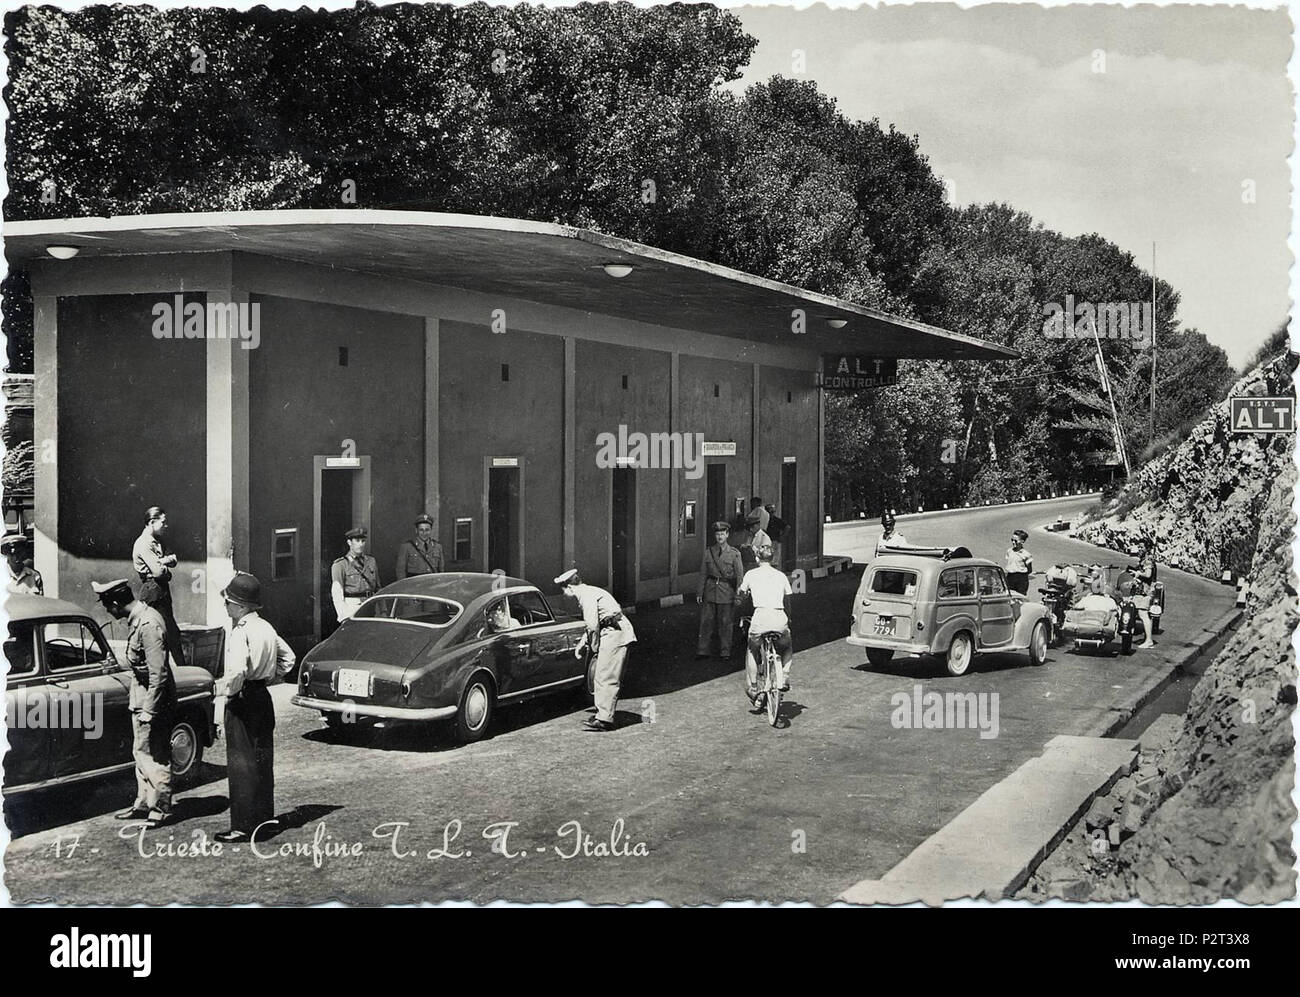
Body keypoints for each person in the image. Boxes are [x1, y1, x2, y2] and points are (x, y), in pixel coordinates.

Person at [213, 572, 295, 843]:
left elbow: (237, 671)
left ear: (240, 606)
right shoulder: (266, 627)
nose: (226, 606)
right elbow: (289, 658)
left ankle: (243, 826)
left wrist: (227, 694)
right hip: (262, 697)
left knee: (241, 763)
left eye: (228, 602)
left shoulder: (241, 632)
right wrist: (268, 677)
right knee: (262, 759)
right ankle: (264, 821)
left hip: (243, 698)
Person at [92, 578, 175, 828]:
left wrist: (149, 710)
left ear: (116, 604)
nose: (108, 611)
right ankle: (143, 803)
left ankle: (160, 808)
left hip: (153, 700)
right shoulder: (138, 619)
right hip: (141, 695)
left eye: (108, 606)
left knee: (154, 754)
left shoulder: (148, 624)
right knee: (140, 752)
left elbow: (158, 673)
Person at [555, 568, 636, 732]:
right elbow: (594, 625)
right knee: (602, 675)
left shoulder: (585, 595)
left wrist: (594, 647)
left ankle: (604, 719)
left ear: (569, 587)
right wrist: (582, 644)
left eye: (563, 589)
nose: (563, 594)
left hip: (614, 633)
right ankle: (603, 715)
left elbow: (592, 626)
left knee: (605, 676)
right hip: (613, 631)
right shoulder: (590, 591)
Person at [736, 542, 794, 705]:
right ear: (772, 559)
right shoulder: (781, 576)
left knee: (752, 649)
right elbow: (787, 602)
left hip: (760, 617)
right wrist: (788, 619)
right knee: (787, 647)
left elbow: (742, 595)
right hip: (779, 616)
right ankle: (785, 675)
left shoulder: (751, 574)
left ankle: (754, 688)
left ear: (757, 558)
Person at [132, 506, 186, 670]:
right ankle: (156, 672)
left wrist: (162, 561)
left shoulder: (158, 540)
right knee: (158, 634)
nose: (166, 525)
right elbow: (159, 572)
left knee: (171, 634)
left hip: (160, 590)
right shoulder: (144, 543)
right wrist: (164, 566)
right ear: (151, 522)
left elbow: (174, 559)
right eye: (163, 522)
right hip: (153, 591)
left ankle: (183, 672)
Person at [696, 521, 744, 660]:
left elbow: (740, 576)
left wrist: (738, 595)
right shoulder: (708, 552)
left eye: (722, 534)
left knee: (725, 623)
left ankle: (725, 651)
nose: (720, 537)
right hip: (710, 590)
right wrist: (700, 592)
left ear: (727, 535)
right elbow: (703, 573)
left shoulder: (734, 554)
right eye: (717, 534)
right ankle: (703, 650)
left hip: (726, 591)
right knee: (706, 621)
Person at [331, 526, 379, 622]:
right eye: (357, 541)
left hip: (371, 607)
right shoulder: (341, 565)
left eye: (363, 541)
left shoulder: (371, 561)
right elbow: (337, 593)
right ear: (349, 542)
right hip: (352, 610)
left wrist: (383, 611)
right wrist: (344, 617)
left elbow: (378, 587)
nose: (360, 544)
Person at [395, 512, 444, 579]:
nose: (424, 533)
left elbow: (441, 571)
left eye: (427, 530)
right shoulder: (407, 547)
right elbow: (400, 571)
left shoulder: (437, 547)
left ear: (431, 530)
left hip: (432, 583)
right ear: (416, 530)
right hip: (414, 584)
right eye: (421, 530)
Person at [1133, 539, 1158, 649]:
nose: (1139, 549)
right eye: (1139, 547)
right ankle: (1148, 639)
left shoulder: (1148, 559)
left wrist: (1138, 573)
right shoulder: (1145, 559)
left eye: (1141, 547)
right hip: (1143, 590)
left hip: (1146, 590)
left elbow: (1148, 574)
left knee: (1143, 614)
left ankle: (1149, 640)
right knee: (1142, 614)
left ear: (1147, 548)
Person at [738, 509, 772, 574]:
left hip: (759, 567)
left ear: (758, 525)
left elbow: (765, 556)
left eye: (752, 527)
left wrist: (752, 548)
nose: (750, 529)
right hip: (747, 566)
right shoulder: (748, 536)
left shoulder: (764, 538)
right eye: (749, 527)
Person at [1005, 529, 1033, 595]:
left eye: (1015, 541)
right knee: (1009, 595)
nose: (1013, 542)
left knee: (1020, 596)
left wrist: (1021, 573)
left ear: (1022, 541)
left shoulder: (1026, 554)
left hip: (1021, 579)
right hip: (1010, 577)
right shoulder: (1009, 551)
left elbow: (1029, 570)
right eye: (1012, 540)